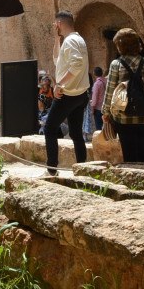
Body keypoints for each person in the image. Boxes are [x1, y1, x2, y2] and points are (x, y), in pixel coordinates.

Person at [102, 28, 144, 163]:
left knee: (129, 153)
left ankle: (133, 173)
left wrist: (105, 112)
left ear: (120, 45)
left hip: (123, 118)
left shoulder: (116, 64)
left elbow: (110, 91)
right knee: (143, 150)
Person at [44, 11, 90, 176]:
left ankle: (52, 170)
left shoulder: (70, 41)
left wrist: (60, 84)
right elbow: (57, 61)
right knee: (76, 133)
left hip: (67, 95)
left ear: (59, 24)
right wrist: (57, 39)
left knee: (49, 129)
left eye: (55, 24)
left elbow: (77, 64)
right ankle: (82, 169)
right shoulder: (76, 39)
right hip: (80, 95)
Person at [89, 67, 106, 136]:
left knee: (99, 127)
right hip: (106, 107)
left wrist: (92, 108)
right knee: (106, 126)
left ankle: (100, 140)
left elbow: (94, 98)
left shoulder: (97, 84)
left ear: (94, 74)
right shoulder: (106, 81)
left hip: (98, 109)